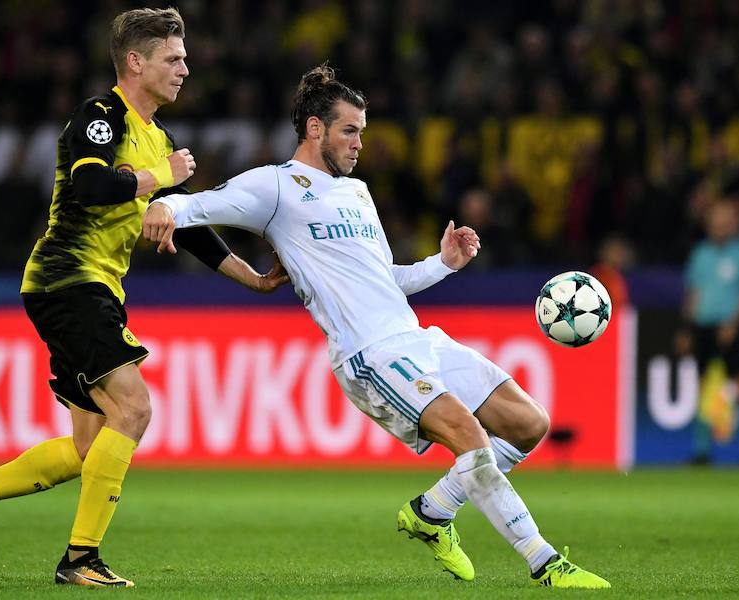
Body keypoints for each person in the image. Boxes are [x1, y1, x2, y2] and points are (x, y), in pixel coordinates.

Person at [142, 64, 610, 589]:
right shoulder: (275, 186)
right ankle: (545, 564)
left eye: (362, 131)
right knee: (471, 438)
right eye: (350, 130)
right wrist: (162, 204)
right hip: (370, 355)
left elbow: (385, 280)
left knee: (529, 424)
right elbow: (197, 204)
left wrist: (443, 264)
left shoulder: (359, 193)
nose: (360, 142)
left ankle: (433, 511)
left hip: (417, 338)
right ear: (315, 129)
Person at [0, 8, 288, 588]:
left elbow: (189, 225)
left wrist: (252, 278)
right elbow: (88, 183)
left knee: (88, 445)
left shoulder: (159, 139)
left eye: (185, 58)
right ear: (135, 61)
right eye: (173, 59)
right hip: (68, 279)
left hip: (90, 288)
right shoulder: (100, 116)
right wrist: (159, 178)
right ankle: (79, 560)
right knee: (135, 409)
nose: (185, 69)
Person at [679, 199, 739, 464]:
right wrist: (687, 328)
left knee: (738, 386)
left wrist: (735, 323)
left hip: (733, 327)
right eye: (715, 219)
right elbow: (693, 293)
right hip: (703, 327)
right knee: (704, 388)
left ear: (734, 222)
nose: (719, 224)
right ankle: (702, 452)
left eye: (725, 219)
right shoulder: (701, 253)